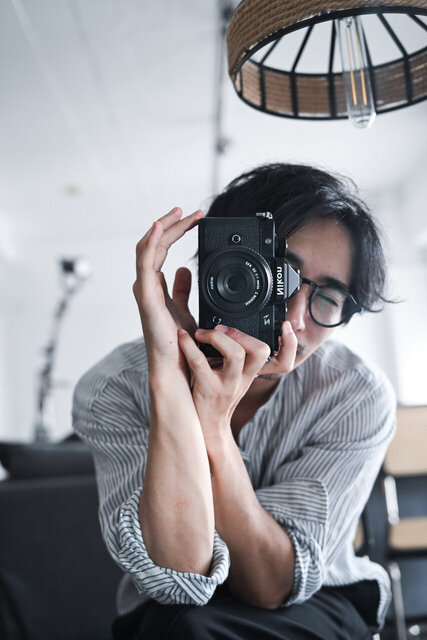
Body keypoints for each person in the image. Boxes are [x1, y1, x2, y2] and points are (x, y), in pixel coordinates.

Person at [72, 163, 396, 640]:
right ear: (217, 261)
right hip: (171, 615)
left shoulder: (354, 395)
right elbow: (178, 579)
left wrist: (213, 426)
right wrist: (170, 376)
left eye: (328, 298)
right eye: (276, 275)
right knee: (182, 624)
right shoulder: (115, 386)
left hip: (318, 597)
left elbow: (274, 584)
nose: (294, 319)